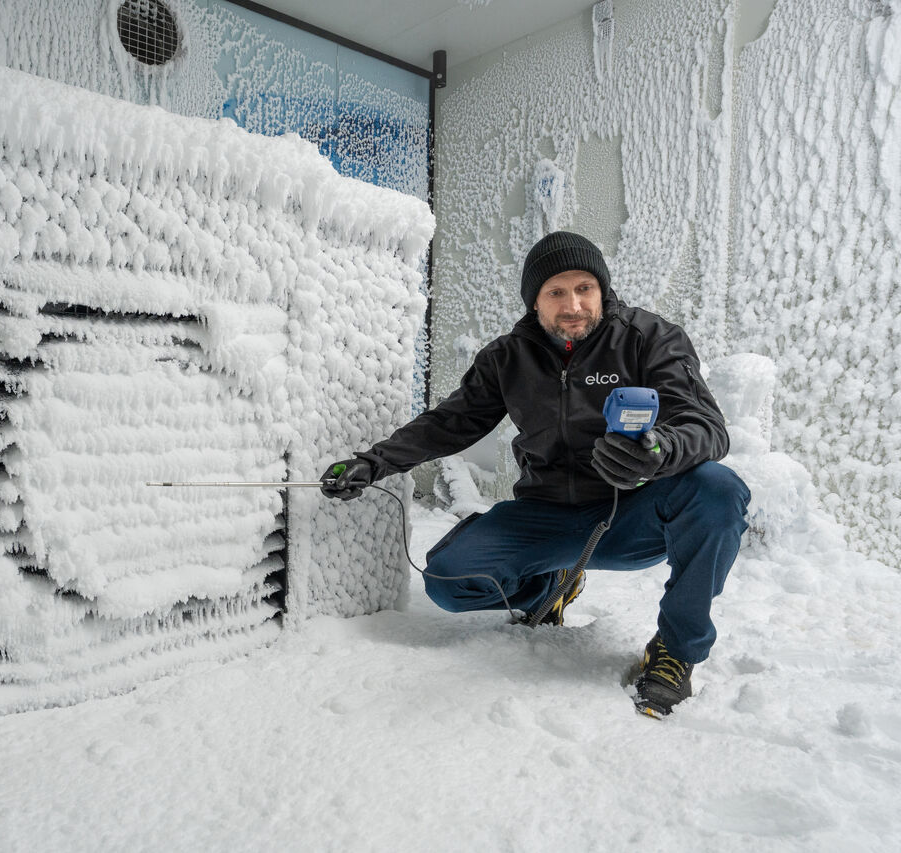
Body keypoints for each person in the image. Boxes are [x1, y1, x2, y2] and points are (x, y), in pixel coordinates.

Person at [321, 231, 750, 718]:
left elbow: (706, 427)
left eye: (585, 288)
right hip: (546, 515)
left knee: (719, 489)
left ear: (602, 290)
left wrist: (660, 450)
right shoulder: (509, 357)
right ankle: (550, 587)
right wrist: (373, 462)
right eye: (556, 292)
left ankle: (675, 649)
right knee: (448, 579)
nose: (574, 304)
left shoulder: (649, 338)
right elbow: (450, 422)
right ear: (534, 301)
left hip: (631, 513)